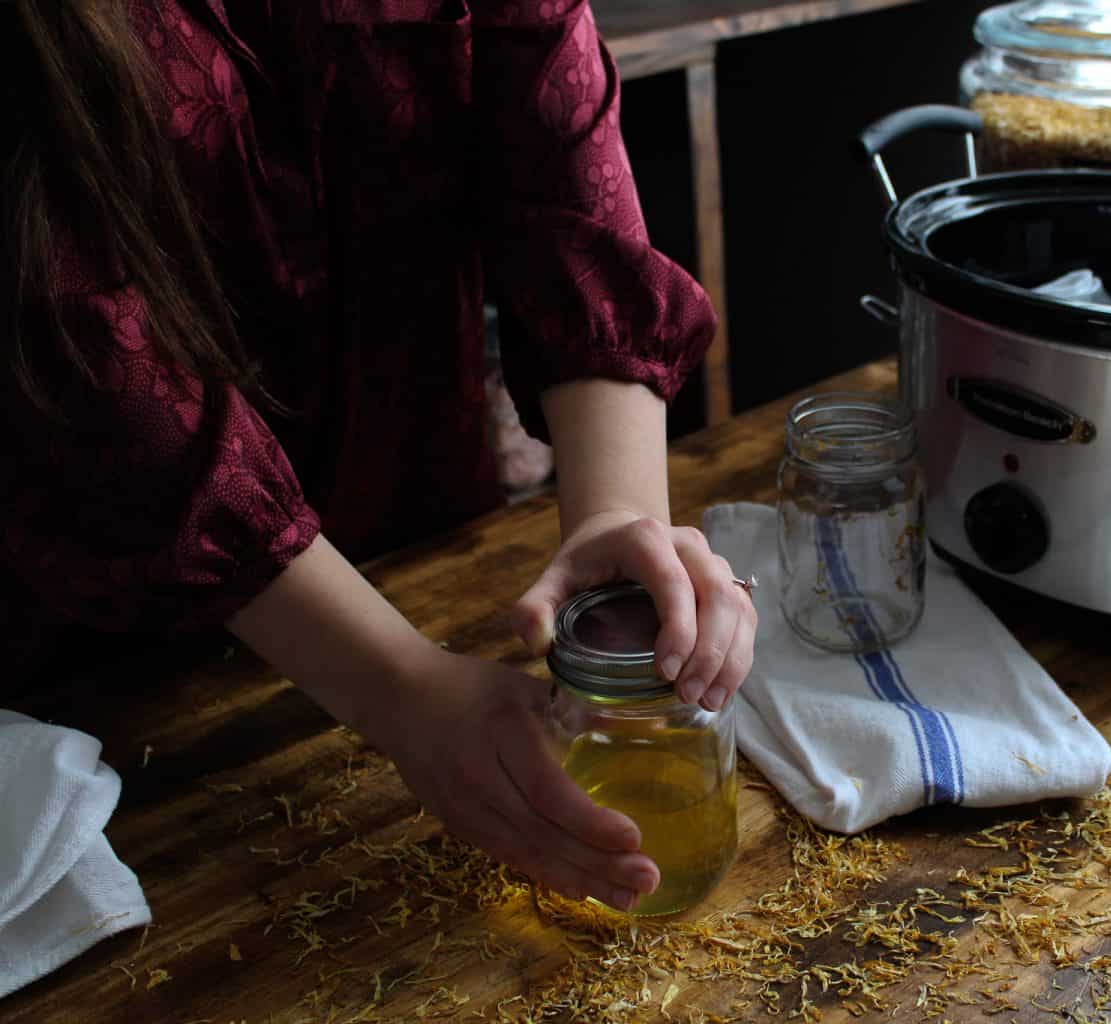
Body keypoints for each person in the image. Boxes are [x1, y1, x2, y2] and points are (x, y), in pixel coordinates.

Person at [0, 0, 758, 914]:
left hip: (418, 536)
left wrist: (616, 516)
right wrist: (400, 688)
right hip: (101, 664)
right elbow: (76, 348)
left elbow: (563, 177)